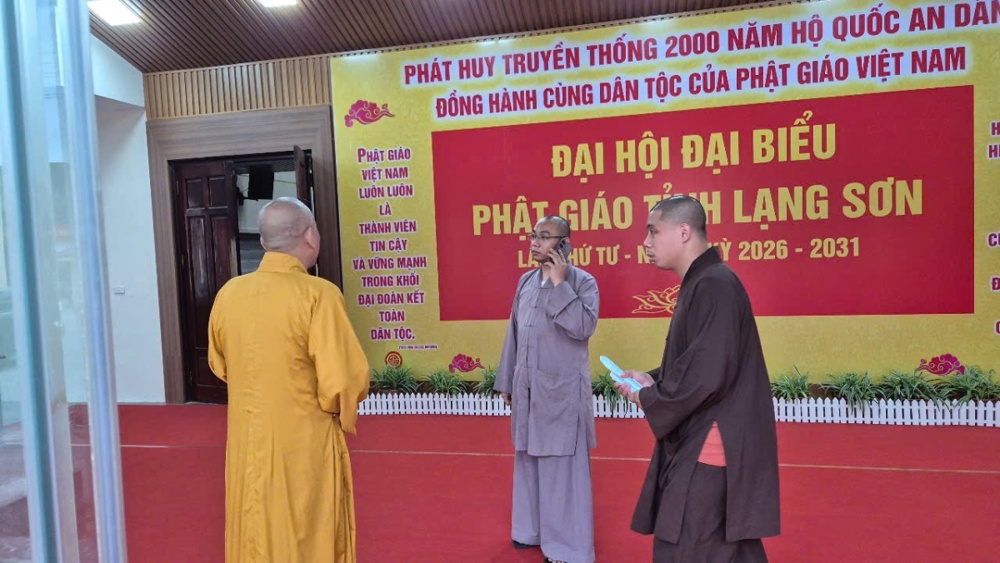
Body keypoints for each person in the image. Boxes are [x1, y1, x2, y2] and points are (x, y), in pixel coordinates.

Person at [614, 195, 780, 562]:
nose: (646, 243)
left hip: (713, 441)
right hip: (710, 435)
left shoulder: (714, 284)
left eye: (653, 231)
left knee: (686, 545)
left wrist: (651, 397)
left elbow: (708, 373)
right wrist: (653, 380)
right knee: (729, 549)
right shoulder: (704, 281)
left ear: (684, 232)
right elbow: (698, 360)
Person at [208, 197, 370, 562]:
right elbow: (343, 382)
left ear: (263, 242)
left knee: (253, 519)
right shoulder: (318, 295)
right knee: (303, 526)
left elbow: (220, 365)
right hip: (302, 440)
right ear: (310, 236)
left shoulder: (229, 293)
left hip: (247, 438)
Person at [494, 215, 600, 563]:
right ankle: (531, 531)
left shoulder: (582, 282)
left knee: (560, 469)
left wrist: (559, 284)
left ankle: (568, 548)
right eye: (533, 235)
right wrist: (507, 379)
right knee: (528, 459)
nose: (535, 242)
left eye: (544, 237)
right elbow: (514, 331)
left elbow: (582, 327)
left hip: (561, 393)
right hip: (527, 388)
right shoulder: (525, 281)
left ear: (564, 244)